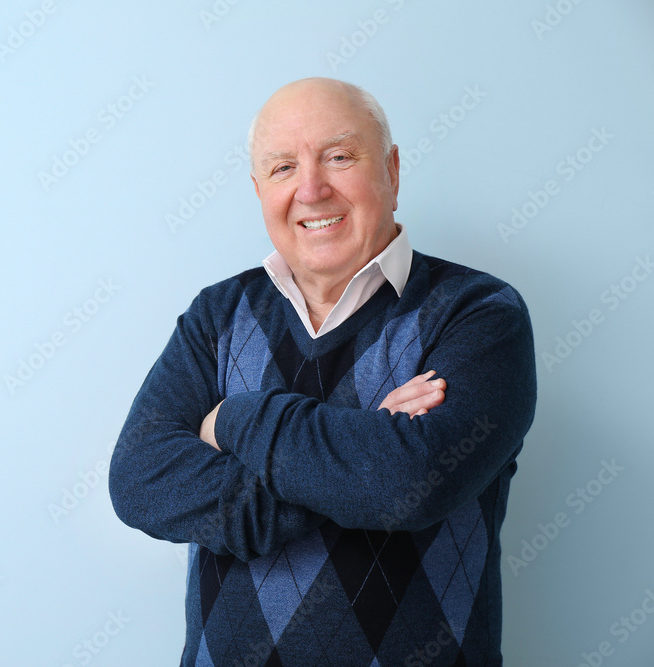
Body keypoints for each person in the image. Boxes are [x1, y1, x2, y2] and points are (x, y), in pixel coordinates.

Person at [109, 77, 536, 665]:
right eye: (283, 168)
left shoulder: (479, 313)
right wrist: (361, 447)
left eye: (339, 157)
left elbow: (408, 488)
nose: (310, 189)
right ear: (259, 189)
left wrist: (234, 420)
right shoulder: (218, 314)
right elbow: (139, 483)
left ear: (391, 168)